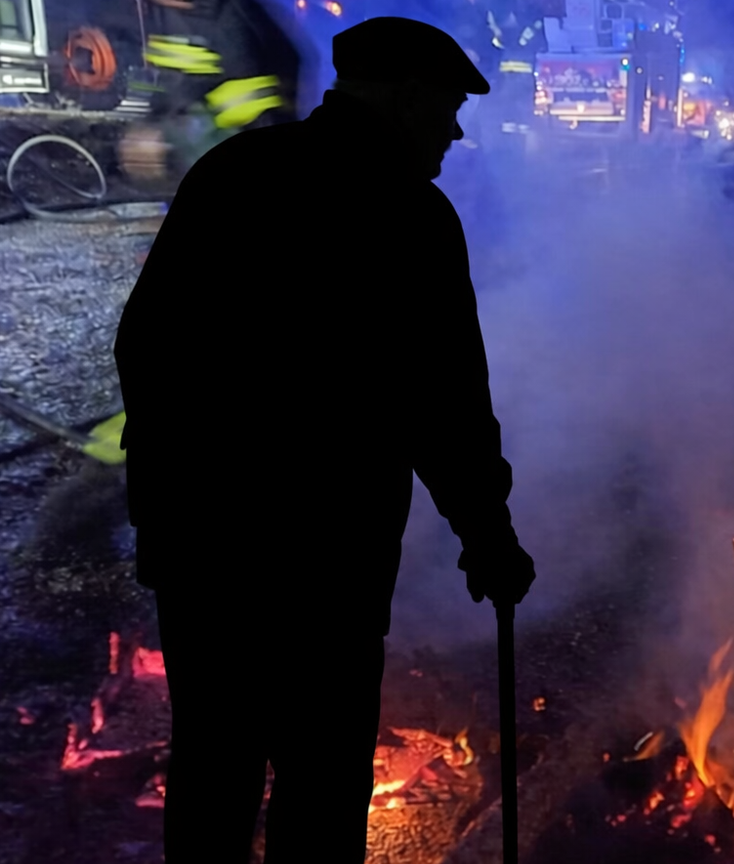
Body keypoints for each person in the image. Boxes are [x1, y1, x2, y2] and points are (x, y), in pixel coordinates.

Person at [111, 16, 536, 863]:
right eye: (448, 106)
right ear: (405, 96)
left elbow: (145, 349)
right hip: (327, 562)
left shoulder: (231, 175)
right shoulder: (411, 215)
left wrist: (165, 510)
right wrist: (487, 535)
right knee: (319, 781)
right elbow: (444, 401)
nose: (454, 129)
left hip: (204, 552)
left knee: (214, 771)